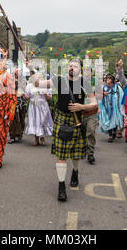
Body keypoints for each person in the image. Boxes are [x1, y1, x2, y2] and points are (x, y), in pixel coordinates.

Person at [35, 58, 97, 201]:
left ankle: (75, 171)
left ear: (80, 69)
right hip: (61, 120)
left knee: (75, 154)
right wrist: (38, 72)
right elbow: (38, 84)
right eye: (70, 65)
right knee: (61, 156)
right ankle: (61, 186)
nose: (72, 68)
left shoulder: (84, 84)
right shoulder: (59, 80)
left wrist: (82, 107)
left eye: (75, 66)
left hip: (77, 121)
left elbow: (94, 103)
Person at [24, 73, 53, 146]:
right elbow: (26, 96)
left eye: (40, 78)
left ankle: (42, 137)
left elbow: (50, 98)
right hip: (33, 107)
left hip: (43, 106)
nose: (38, 79)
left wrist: (46, 94)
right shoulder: (29, 86)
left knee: (42, 121)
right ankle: (36, 138)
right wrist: (26, 96)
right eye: (37, 78)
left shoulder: (46, 86)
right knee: (35, 121)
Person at [82, 64, 101, 164]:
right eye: (85, 71)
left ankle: (90, 153)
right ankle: (82, 149)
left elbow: (99, 95)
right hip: (80, 111)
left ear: (91, 72)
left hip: (92, 111)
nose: (86, 73)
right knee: (82, 132)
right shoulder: (78, 81)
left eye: (88, 71)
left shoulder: (95, 82)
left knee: (91, 130)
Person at [98, 74, 124, 142]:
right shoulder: (103, 87)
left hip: (115, 108)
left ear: (112, 80)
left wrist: (120, 107)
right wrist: (103, 94)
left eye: (109, 79)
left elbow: (121, 96)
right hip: (106, 108)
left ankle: (114, 132)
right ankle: (110, 135)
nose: (107, 80)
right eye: (106, 79)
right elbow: (98, 97)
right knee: (108, 121)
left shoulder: (117, 88)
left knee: (115, 121)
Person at [9, 69, 28, 144]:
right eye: (15, 73)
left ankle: (19, 133)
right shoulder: (11, 80)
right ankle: (12, 136)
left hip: (21, 102)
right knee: (13, 118)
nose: (16, 74)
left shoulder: (23, 81)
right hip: (13, 101)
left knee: (21, 118)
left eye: (17, 73)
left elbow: (23, 89)